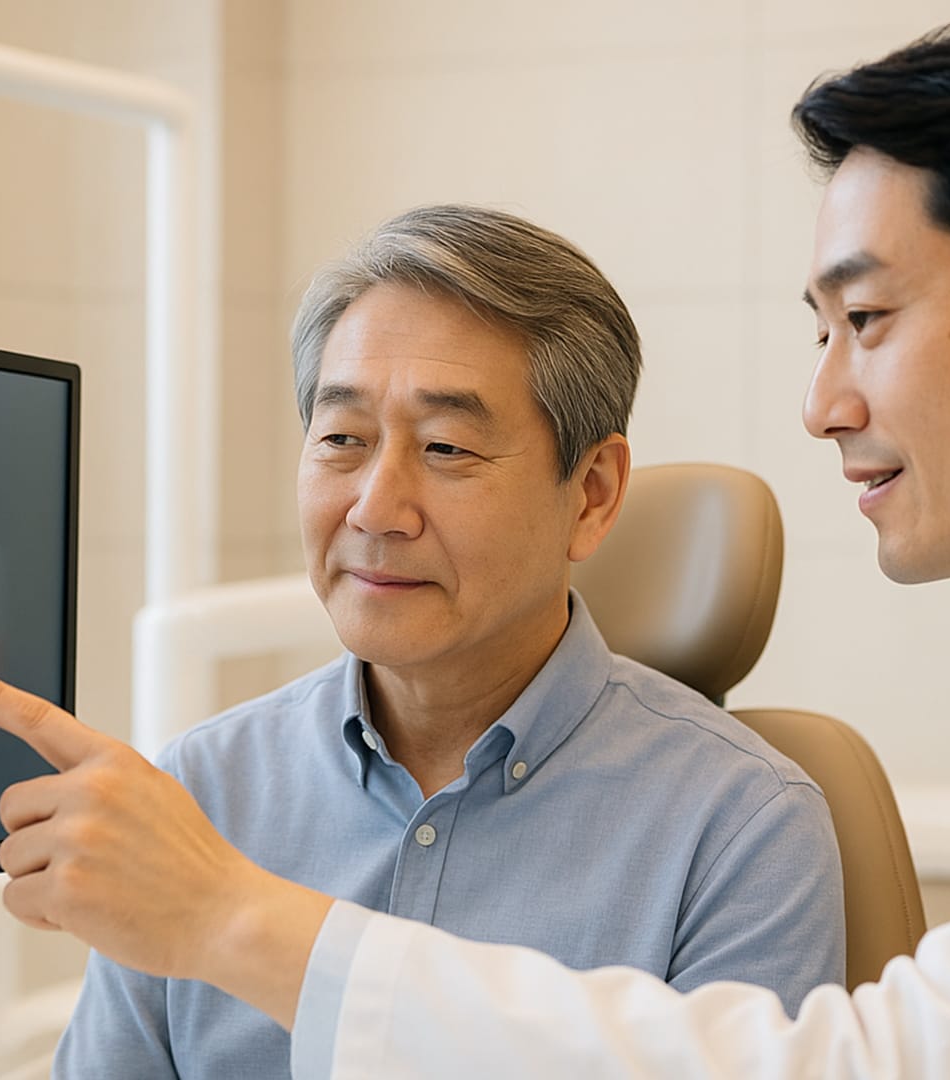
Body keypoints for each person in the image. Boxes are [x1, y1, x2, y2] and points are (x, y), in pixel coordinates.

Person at [0, 17, 950, 1079]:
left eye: (869, 320)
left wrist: (238, 921)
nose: (821, 398)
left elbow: (886, 1069)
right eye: (340, 434)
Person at [49, 204, 845, 1077]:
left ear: (591, 494)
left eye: (447, 447)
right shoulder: (201, 793)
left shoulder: (743, 830)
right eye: (342, 439)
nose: (376, 508)